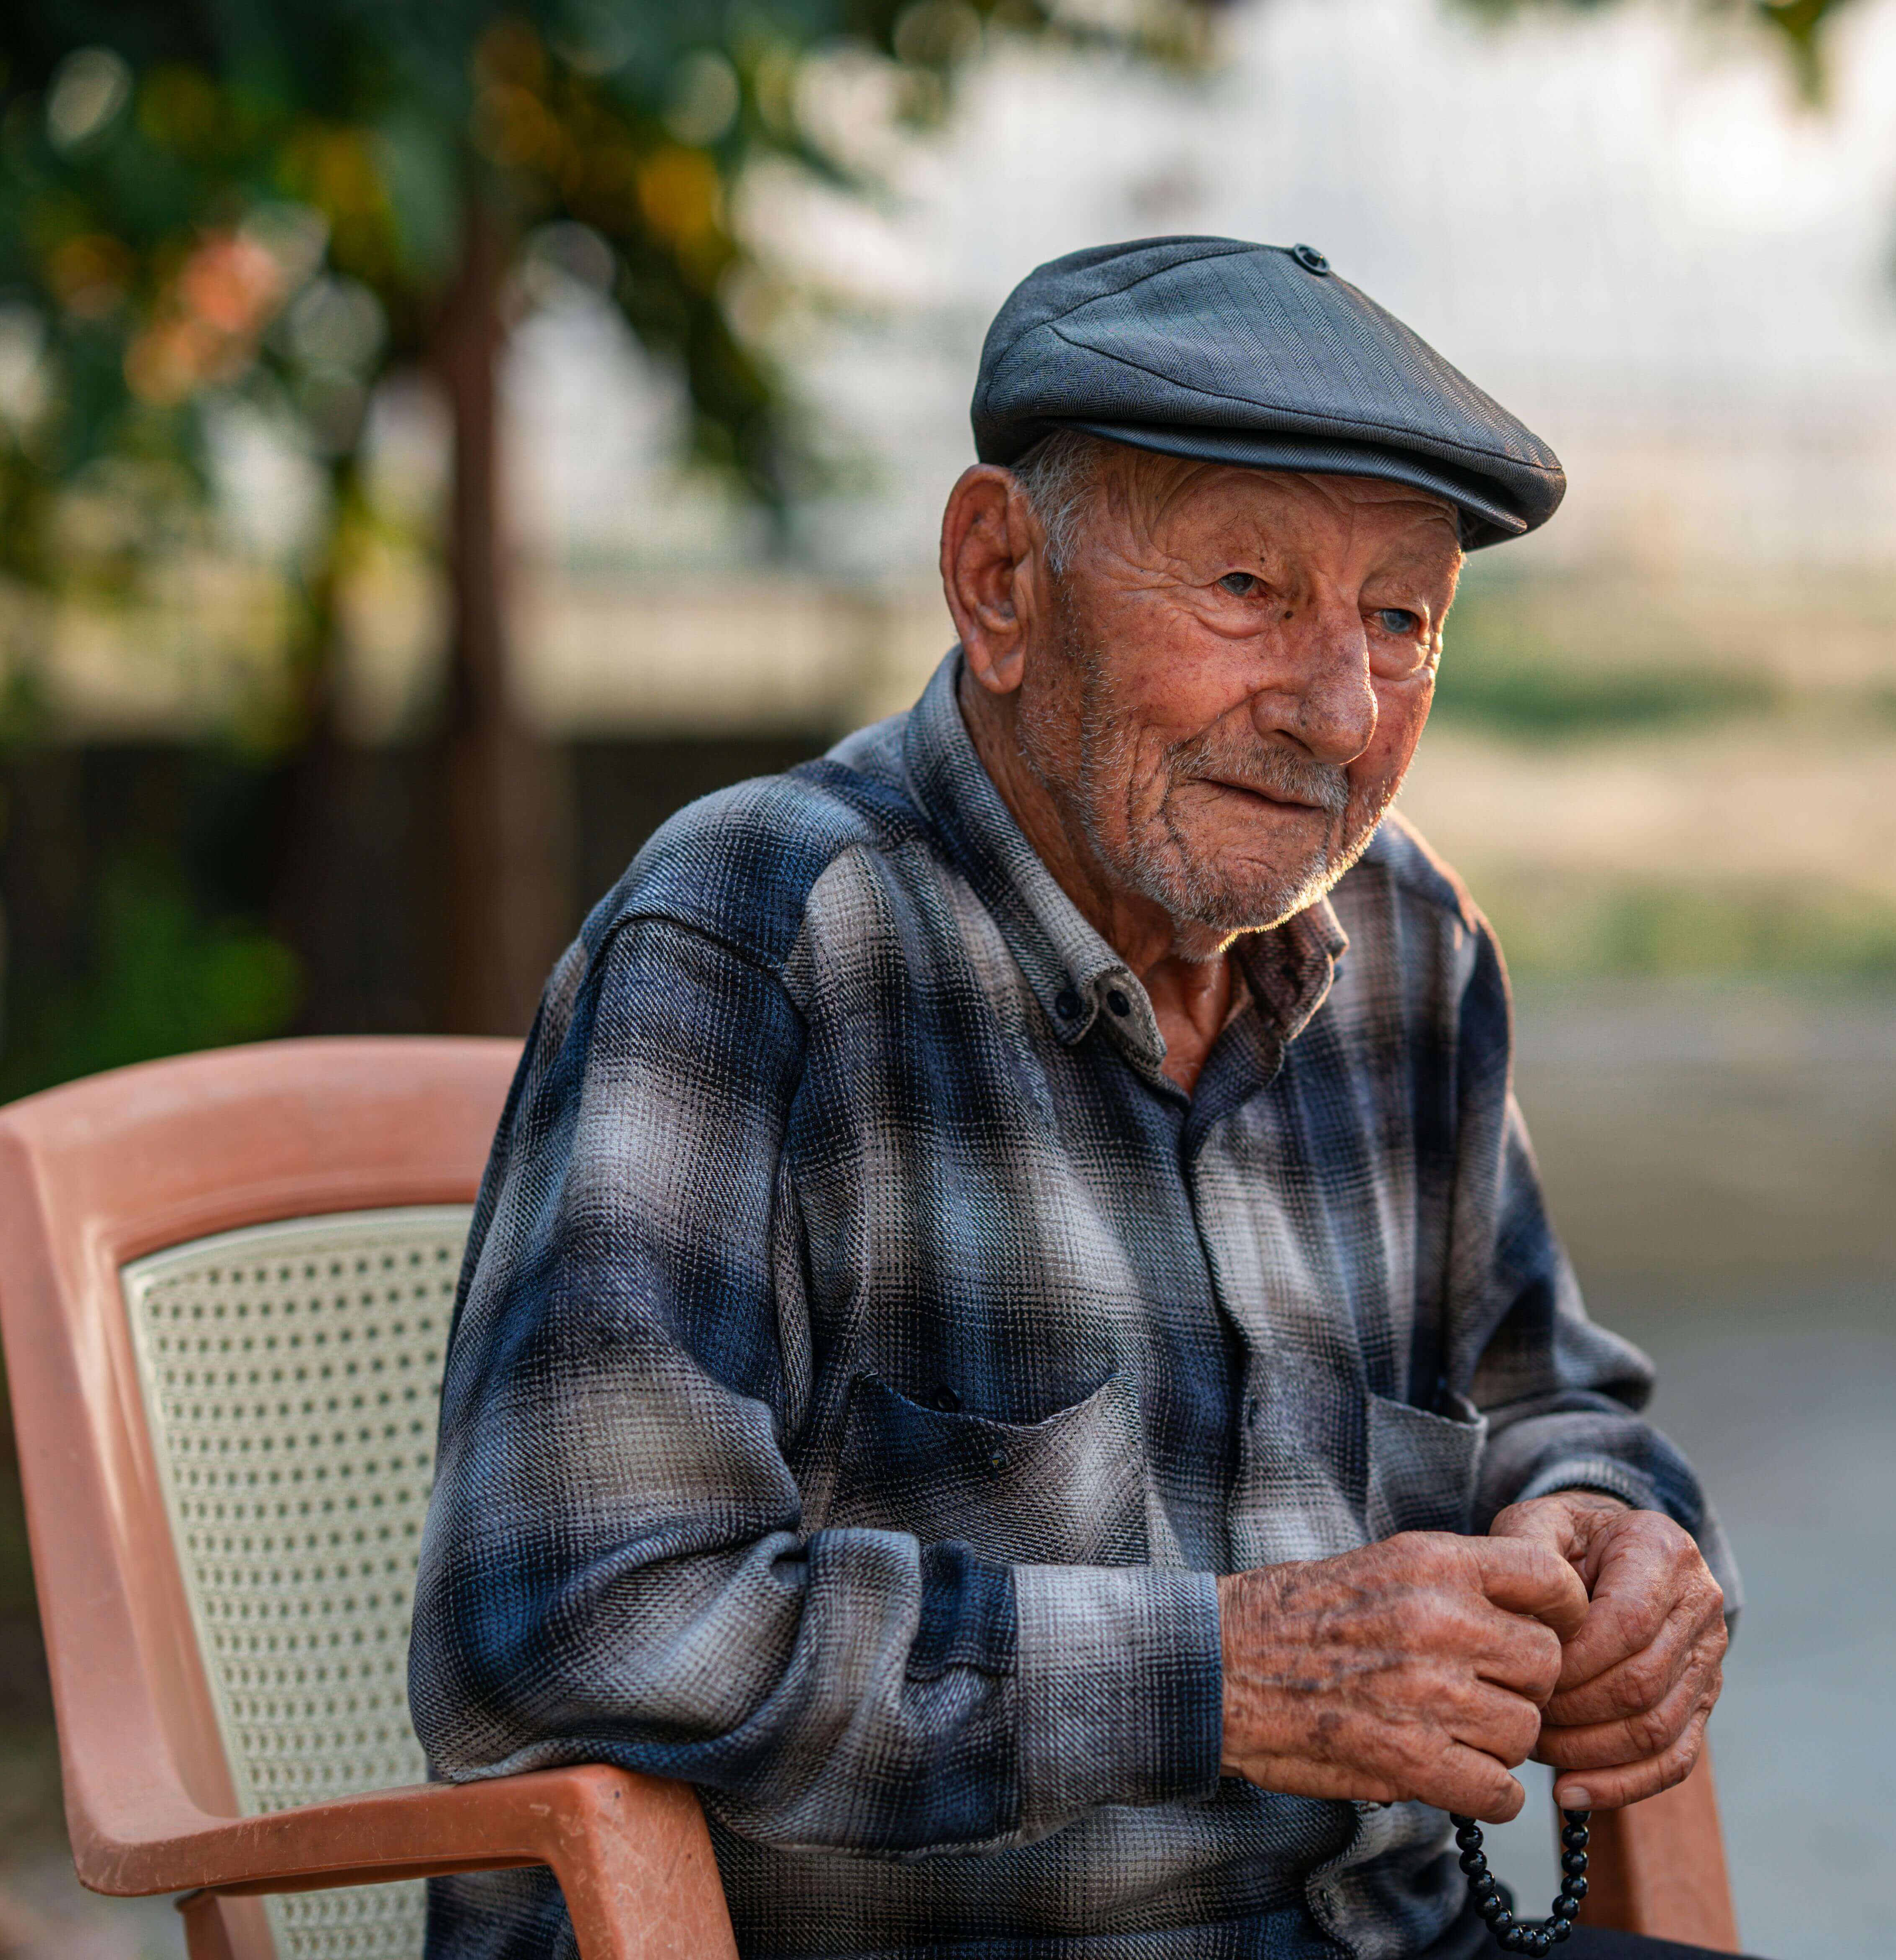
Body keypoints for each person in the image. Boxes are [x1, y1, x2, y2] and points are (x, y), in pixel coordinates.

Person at [411, 235, 1741, 1960]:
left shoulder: (1407, 943)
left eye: (1402, 620)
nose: (1338, 711)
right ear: (999, 582)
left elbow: (1544, 1393)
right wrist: (1220, 1677)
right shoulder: (757, 940)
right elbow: (575, 1624)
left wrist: (1615, 1531)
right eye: (1249, 591)